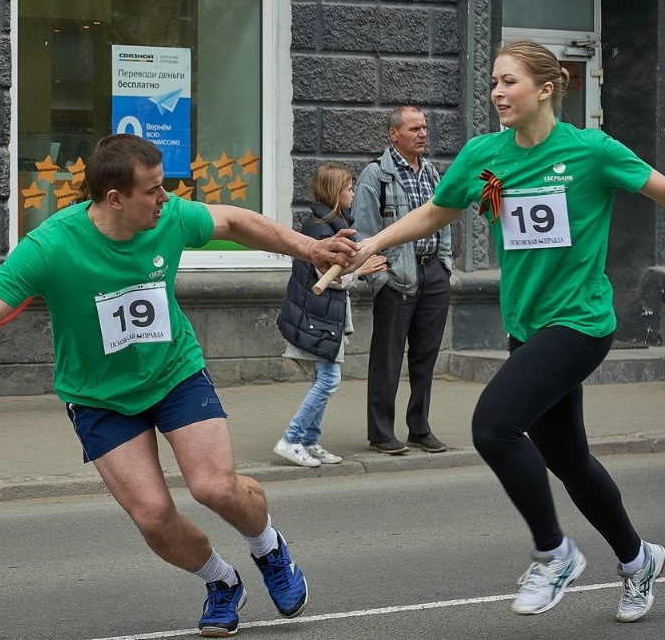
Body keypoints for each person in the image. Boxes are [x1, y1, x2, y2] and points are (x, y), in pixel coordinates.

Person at [0, 134, 360, 636]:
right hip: (99, 398)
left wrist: (310, 248)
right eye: (153, 189)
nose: (166, 197)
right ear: (116, 198)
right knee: (153, 515)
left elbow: (236, 221)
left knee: (214, 487)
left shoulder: (169, 217)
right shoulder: (50, 246)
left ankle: (269, 549)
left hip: (174, 372)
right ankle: (221, 582)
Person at [344, 40, 665, 622]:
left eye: (509, 82)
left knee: (493, 427)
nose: (496, 92)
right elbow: (438, 211)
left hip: (581, 322)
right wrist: (372, 241)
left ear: (547, 88)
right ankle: (638, 560)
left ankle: (554, 554)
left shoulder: (591, 150)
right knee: (569, 460)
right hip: (526, 324)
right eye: (493, 81)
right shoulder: (485, 157)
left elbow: (659, 187)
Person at [352, 106, 453, 455]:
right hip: (397, 279)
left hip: (433, 275)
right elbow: (363, 232)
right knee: (388, 357)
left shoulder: (431, 173)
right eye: (414, 128)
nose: (423, 133)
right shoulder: (376, 175)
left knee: (425, 357)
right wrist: (380, 279)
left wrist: (445, 265)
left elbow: (443, 219)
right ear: (394, 134)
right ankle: (381, 433)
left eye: (425, 127)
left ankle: (419, 428)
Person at [274, 163, 386, 467]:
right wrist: (361, 270)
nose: (352, 192)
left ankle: (309, 441)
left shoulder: (328, 226)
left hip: (323, 317)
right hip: (318, 317)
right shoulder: (322, 230)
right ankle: (291, 438)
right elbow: (330, 281)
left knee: (322, 379)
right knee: (328, 380)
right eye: (349, 188)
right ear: (336, 192)